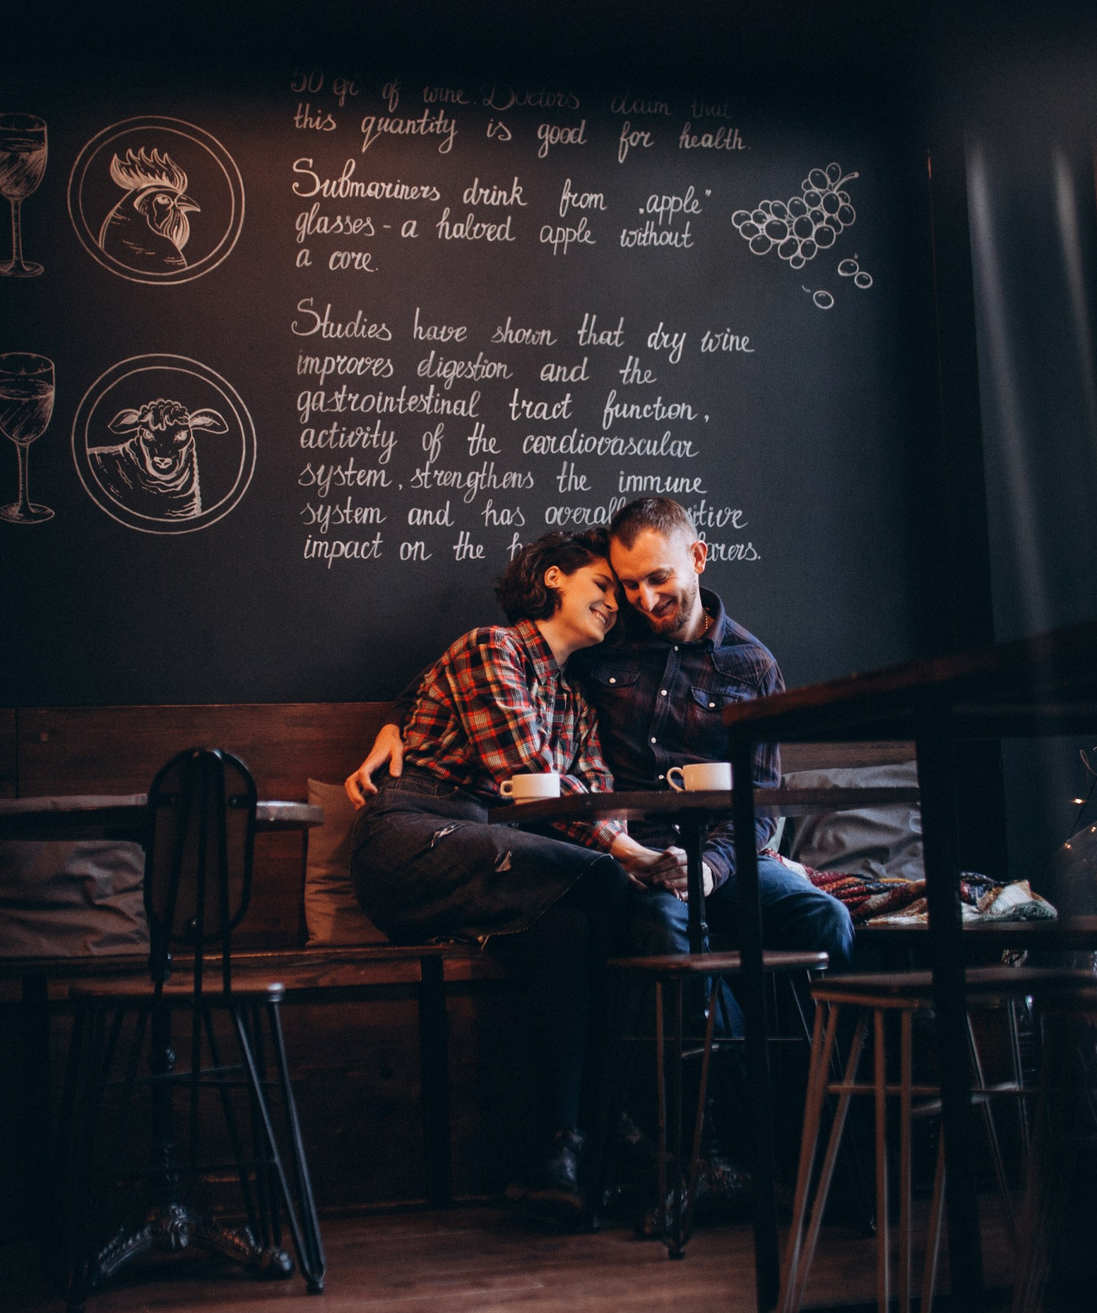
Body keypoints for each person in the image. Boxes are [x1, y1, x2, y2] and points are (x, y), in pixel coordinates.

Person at [346, 526, 687, 1229]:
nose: (615, 606)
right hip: (412, 837)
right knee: (610, 884)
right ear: (555, 578)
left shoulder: (578, 706)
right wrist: (629, 856)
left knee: (565, 930)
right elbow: (527, 776)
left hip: (496, 853)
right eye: (603, 587)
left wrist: (626, 849)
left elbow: (595, 795)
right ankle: (620, 1119)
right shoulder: (490, 648)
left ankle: (555, 1155)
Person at [351, 496, 852, 969]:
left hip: (723, 855)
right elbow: (480, 667)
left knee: (825, 919)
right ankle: (721, 1060)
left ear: (698, 557)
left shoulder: (752, 666)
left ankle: (819, 1061)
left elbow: (761, 795)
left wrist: (710, 868)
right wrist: (398, 720)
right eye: (626, 584)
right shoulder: (602, 639)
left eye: (657, 579)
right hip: (631, 854)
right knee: (655, 930)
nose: (643, 600)